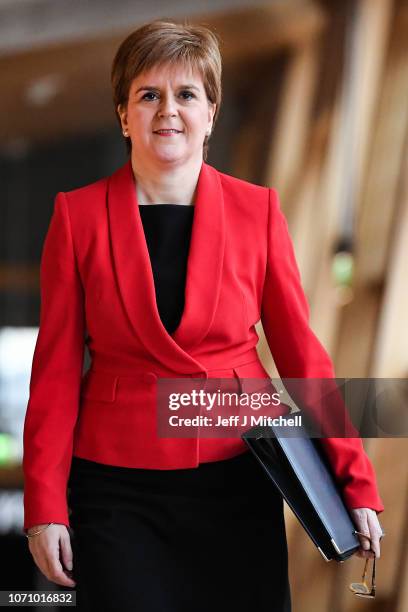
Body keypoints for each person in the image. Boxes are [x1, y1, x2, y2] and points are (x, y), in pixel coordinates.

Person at [23, 19, 384, 612]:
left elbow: (302, 357)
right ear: (124, 115)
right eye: (149, 95)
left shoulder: (258, 211)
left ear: (211, 113)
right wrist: (43, 508)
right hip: (117, 490)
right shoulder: (76, 217)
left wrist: (356, 481)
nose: (168, 110)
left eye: (186, 94)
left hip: (239, 476)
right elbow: (55, 372)